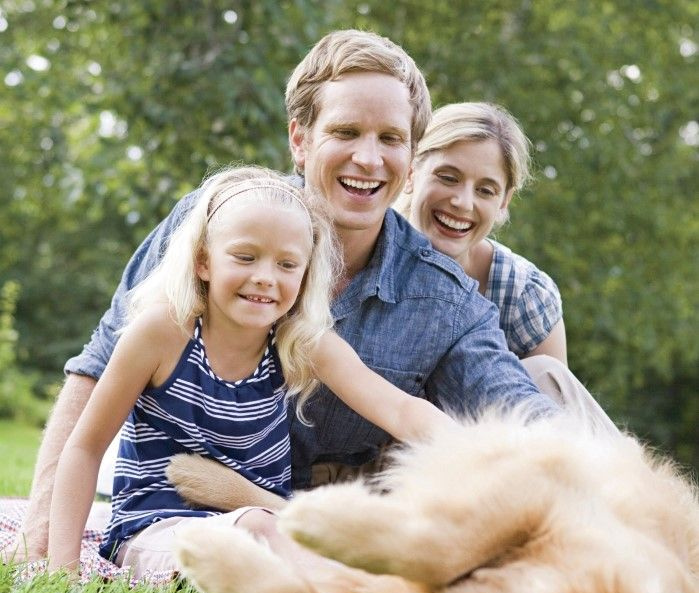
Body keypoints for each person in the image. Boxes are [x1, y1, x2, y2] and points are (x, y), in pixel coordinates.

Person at [20, 28, 557, 562]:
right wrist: (44, 535)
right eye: (346, 131)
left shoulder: (444, 301)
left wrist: (576, 478)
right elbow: (96, 370)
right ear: (300, 140)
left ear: (411, 156)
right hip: (180, 508)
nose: (369, 160)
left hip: (314, 519)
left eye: (391, 139)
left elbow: (505, 410)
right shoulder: (213, 224)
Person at [47, 166, 452, 575]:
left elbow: (400, 409)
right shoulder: (162, 333)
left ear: (306, 273)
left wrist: (474, 450)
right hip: (157, 531)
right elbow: (85, 447)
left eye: (287, 265)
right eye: (245, 257)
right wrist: (61, 569)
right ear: (204, 261)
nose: (264, 279)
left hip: (268, 525)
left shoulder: (296, 339)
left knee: (331, 543)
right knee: (261, 533)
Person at [394, 101, 567, 363]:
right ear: (411, 172)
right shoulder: (362, 257)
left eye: (485, 191)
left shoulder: (523, 295)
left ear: (504, 202)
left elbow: (555, 402)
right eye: (448, 178)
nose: (463, 202)